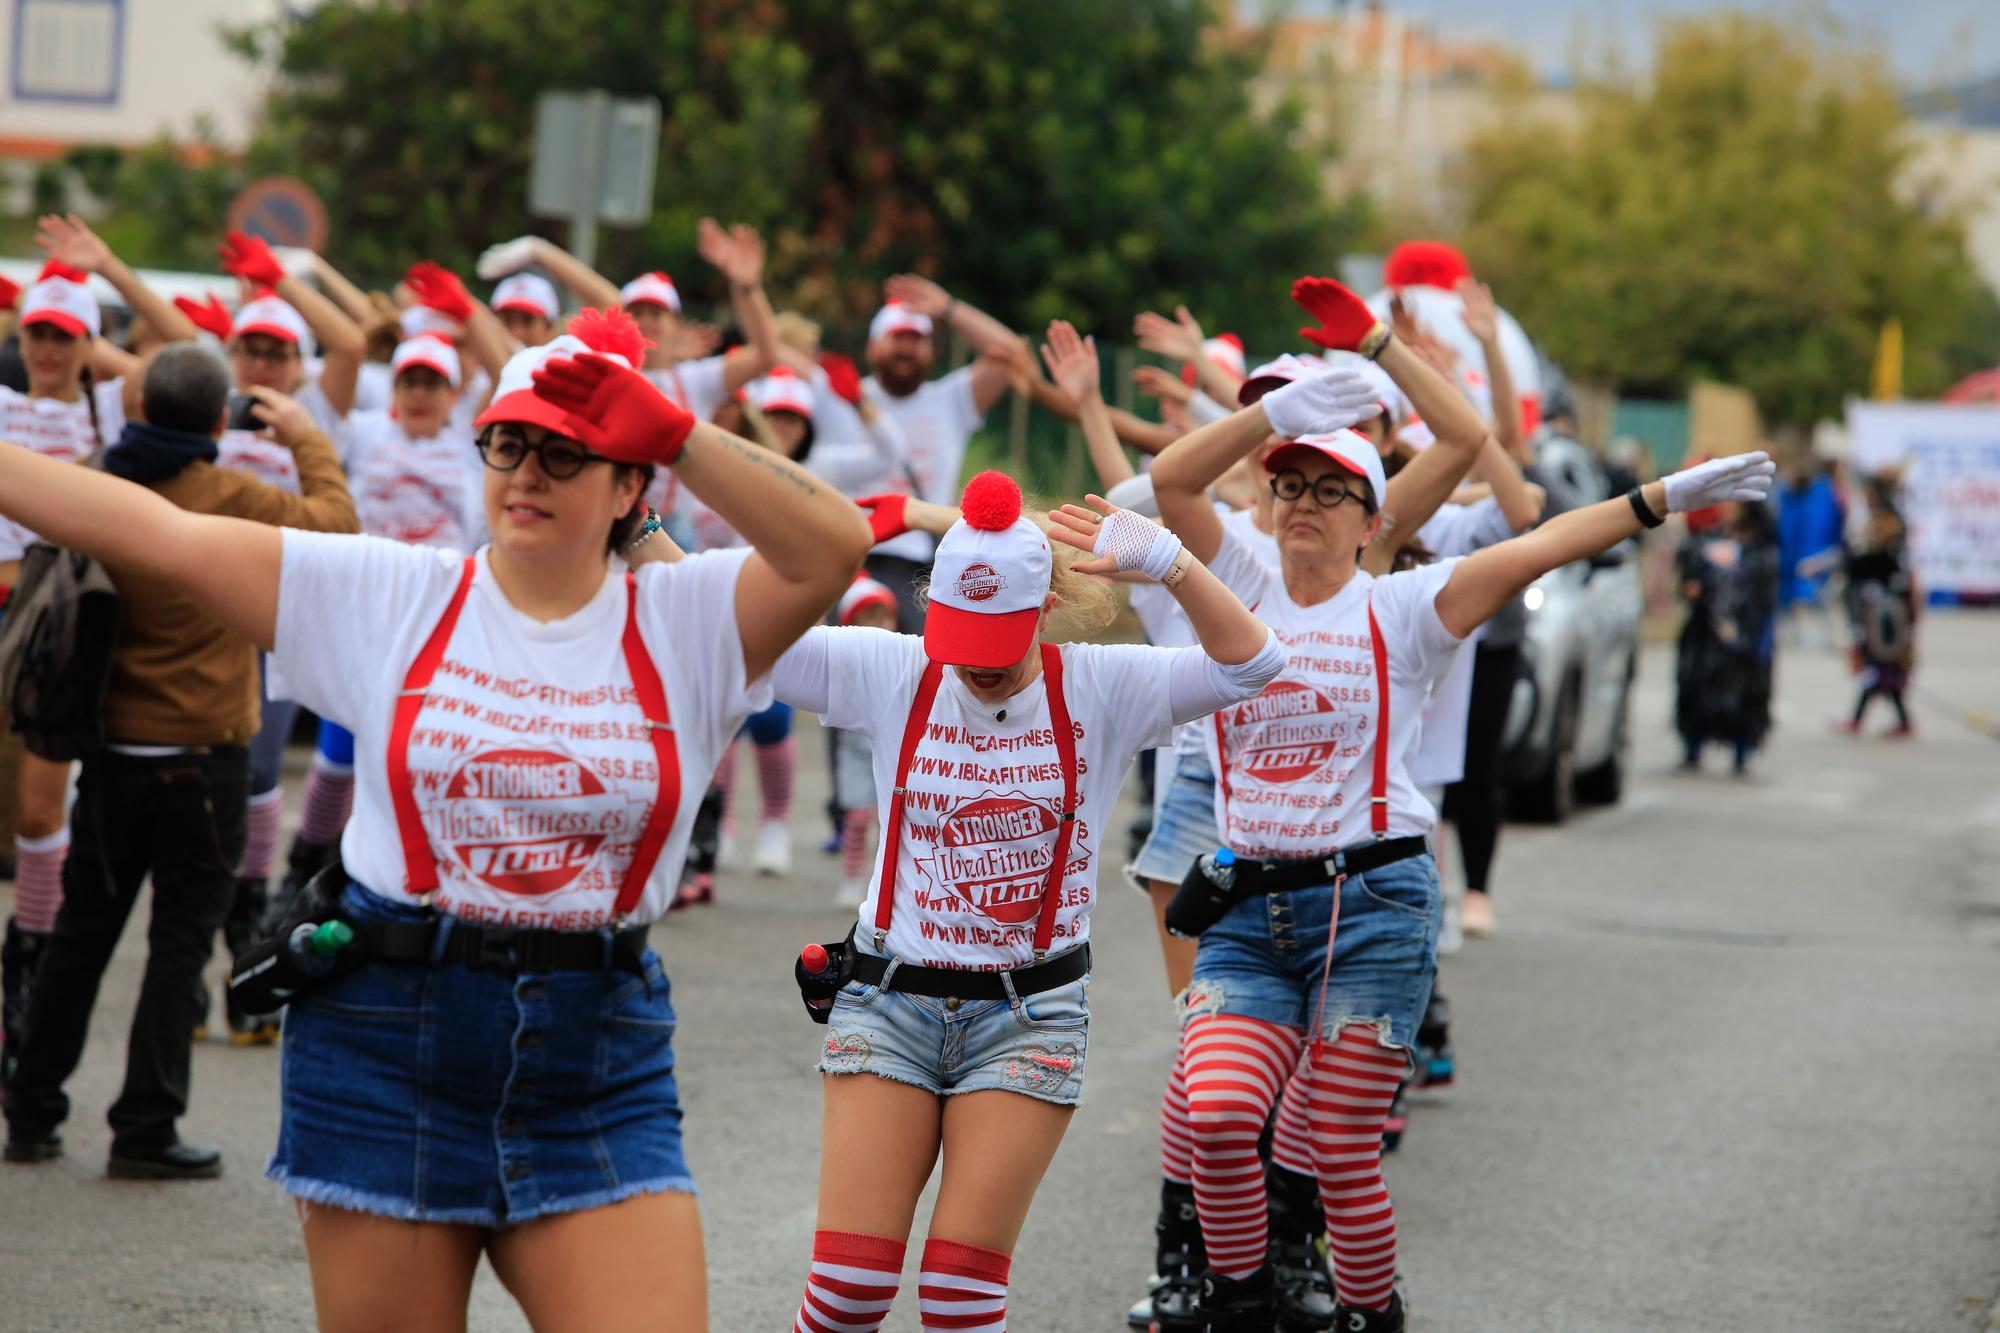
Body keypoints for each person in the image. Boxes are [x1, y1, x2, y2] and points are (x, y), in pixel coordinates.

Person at [0, 305, 870, 1330]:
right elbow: (149, 526)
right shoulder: (390, 593)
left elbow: (832, 546)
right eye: (508, 443)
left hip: (595, 1055)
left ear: (630, 483)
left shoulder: (692, 618)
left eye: (566, 450)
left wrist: (673, 427)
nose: (529, 472)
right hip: (385, 1037)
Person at [1149, 276, 1775, 1330]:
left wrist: (1660, 497)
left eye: (1327, 489)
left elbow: (1537, 537)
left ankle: (1368, 1312)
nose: (1300, 501)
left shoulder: (1406, 605)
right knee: (1215, 1116)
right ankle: (1240, 1304)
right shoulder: (1238, 580)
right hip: (1248, 914)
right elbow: (1170, 485)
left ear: (1371, 520)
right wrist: (1273, 414)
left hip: (1373, 909)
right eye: (1286, 485)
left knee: (1340, 1150)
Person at [773, 457, 1284, 1333]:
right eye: (959, 636)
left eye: (997, 643)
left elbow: (1253, 663)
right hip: (888, 999)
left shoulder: (1100, 682)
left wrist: (1171, 562)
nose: (975, 668)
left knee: (961, 1301)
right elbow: (727, 631)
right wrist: (637, 529)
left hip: (1029, 1015)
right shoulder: (892, 669)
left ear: (1043, 605)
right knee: (847, 1294)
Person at [2, 346, 359, 1174]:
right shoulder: (232, 496)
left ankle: (31, 1109)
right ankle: (145, 1125)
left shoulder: (101, 482)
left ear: (139, 412)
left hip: (111, 756)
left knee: (81, 938)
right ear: (219, 424)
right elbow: (338, 525)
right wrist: (306, 435)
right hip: (203, 761)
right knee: (178, 947)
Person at [0, 252, 122, 1084]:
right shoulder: (3, 402)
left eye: (64, 334)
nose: (48, 348)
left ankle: (27, 972)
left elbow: (182, 363)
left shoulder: (109, 407)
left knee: (41, 810)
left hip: (58, 623)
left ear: (89, 343)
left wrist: (101, 283)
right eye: (38, 331)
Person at [856, 274, 1020, 629]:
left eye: (917, 340)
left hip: (921, 563)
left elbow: (1011, 355)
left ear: (932, 350)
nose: (907, 348)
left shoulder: (950, 400)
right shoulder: (846, 396)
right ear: (872, 346)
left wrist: (950, 309)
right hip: (851, 556)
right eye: (897, 337)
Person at [1675, 496, 1780, 775]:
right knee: (1696, 689)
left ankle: (1741, 753)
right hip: (1704, 633)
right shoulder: (1707, 540)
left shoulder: (1762, 549)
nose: (1727, 510)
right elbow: (1689, 573)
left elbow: (1764, 591)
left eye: (1735, 506)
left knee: (1745, 694)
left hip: (1746, 634)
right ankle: (1692, 749)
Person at [1837, 504, 1917, 737]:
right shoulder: (1865, 554)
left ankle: (1858, 719)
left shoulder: (1894, 556)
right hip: (1871, 625)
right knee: (1879, 675)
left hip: (1889, 627)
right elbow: (1850, 574)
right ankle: (1901, 720)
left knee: (1879, 674)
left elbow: (1905, 596)